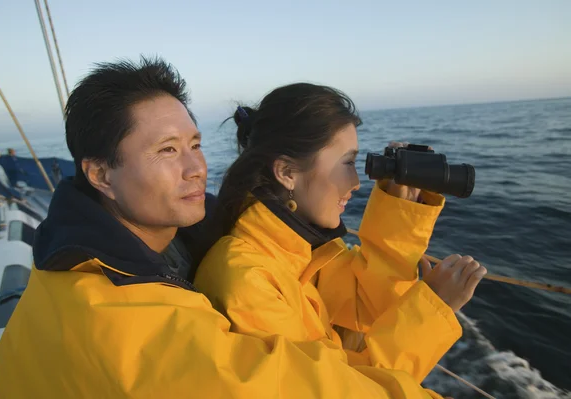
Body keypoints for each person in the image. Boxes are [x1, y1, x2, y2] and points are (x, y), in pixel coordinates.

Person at [0, 56, 455, 399]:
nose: (197, 167)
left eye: (195, 144)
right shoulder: (131, 323)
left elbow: (357, 306)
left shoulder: (92, 258)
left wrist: (398, 207)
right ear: (101, 175)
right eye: (167, 151)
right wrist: (433, 314)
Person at [194, 83, 487, 392]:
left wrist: (398, 202)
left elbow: (365, 303)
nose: (357, 182)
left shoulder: (297, 248)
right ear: (287, 172)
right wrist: (434, 309)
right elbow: (348, 389)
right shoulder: (246, 283)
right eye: (348, 162)